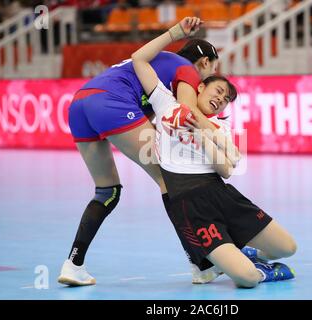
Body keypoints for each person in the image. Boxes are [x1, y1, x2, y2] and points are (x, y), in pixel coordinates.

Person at [57, 18, 246, 286]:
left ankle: (73, 264)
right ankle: (200, 264)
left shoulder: (164, 70)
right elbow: (188, 112)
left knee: (107, 191)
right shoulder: (187, 71)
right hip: (113, 102)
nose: (207, 81)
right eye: (212, 71)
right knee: (169, 180)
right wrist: (223, 142)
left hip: (80, 103)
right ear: (204, 64)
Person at [131, 16, 297, 288]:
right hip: (191, 206)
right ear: (199, 85)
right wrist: (175, 33)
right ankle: (256, 266)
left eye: (225, 100)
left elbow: (226, 170)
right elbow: (139, 59)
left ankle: (242, 249)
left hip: (222, 195)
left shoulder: (220, 125)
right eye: (218, 91)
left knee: (287, 247)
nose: (220, 100)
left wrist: (203, 133)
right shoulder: (166, 103)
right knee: (247, 279)